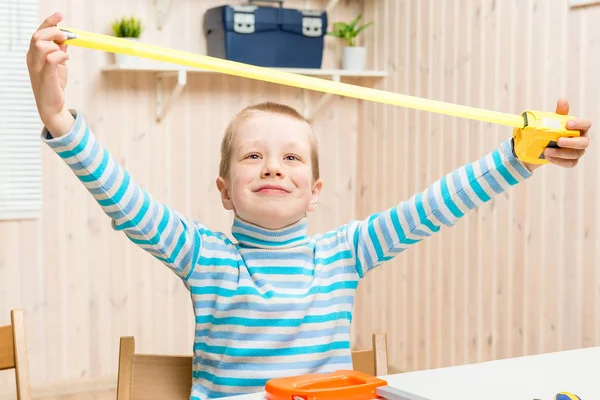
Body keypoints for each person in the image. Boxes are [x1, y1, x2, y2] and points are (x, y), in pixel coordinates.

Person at [26, 12, 591, 400]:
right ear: (224, 189)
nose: (274, 166)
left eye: (293, 158)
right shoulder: (203, 255)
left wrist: (518, 159)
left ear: (315, 192)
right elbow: (126, 202)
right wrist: (59, 118)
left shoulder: (344, 252)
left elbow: (435, 205)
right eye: (253, 155)